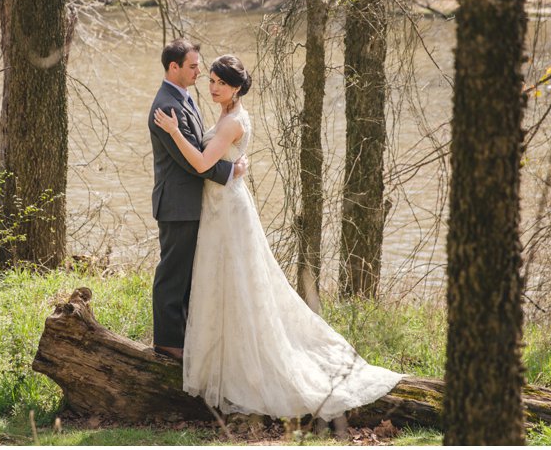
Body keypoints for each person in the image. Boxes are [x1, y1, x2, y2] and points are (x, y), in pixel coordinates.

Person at [153, 54, 403, 421]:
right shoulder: (226, 115)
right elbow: (220, 161)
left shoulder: (231, 121)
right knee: (219, 281)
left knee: (236, 281)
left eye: (221, 82)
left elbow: (204, 164)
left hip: (227, 211)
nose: (213, 86)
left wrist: (176, 133)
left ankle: (246, 365)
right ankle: (217, 354)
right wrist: (234, 166)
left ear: (236, 87)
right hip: (219, 205)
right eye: (210, 79)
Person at [147, 39, 247, 361]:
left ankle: (187, 338)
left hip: (194, 203)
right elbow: (194, 161)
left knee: (191, 276)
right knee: (172, 276)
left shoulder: (184, 97)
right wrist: (232, 169)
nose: (199, 72)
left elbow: (204, 148)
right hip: (178, 205)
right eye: (193, 66)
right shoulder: (167, 106)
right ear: (173, 67)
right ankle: (166, 342)